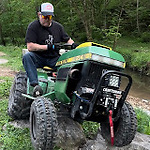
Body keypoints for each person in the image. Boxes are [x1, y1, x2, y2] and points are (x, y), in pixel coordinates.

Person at [23, 2, 77, 96]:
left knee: (71, 63)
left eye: (49, 17)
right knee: (27, 57)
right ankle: (35, 85)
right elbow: (30, 46)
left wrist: (73, 45)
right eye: (45, 17)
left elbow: (68, 40)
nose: (47, 20)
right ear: (39, 14)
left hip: (54, 59)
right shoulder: (33, 26)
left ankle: (68, 91)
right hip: (38, 57)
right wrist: (48, 47)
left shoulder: (58, 27)